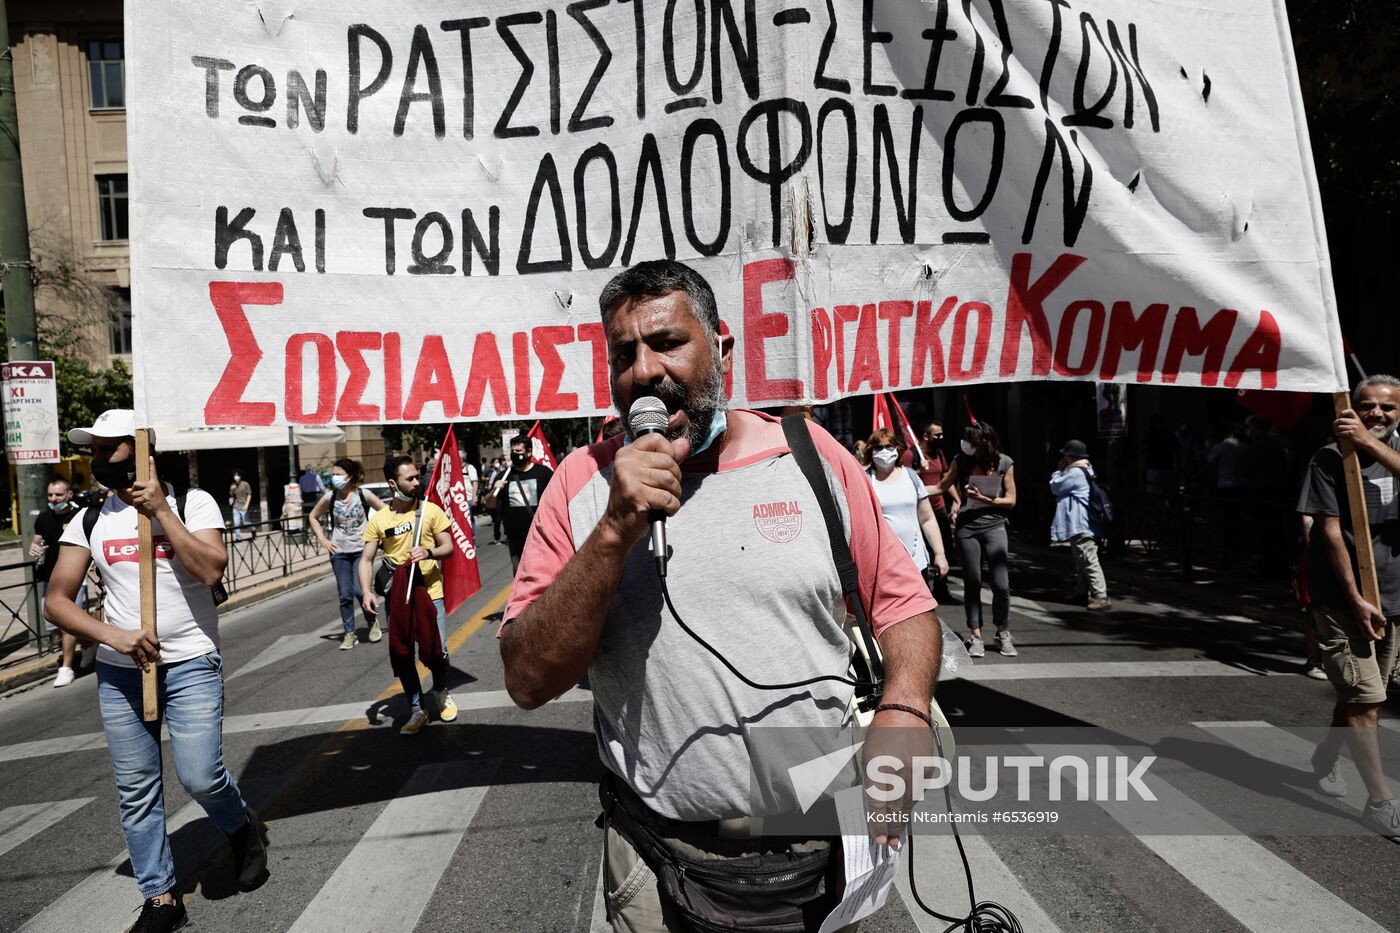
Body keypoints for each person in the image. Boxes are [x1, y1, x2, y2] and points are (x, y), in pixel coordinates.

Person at [499, 260, 939, 930]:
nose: (645, 370)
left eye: (667, 342)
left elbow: (905, 608)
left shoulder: (811, 454)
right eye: (624, 354)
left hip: (817, 855)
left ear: (722, 348)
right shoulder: (580, 484)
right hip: (659, 859)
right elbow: (529, 678)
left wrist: (905, 709)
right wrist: (615, 528)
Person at [43, 410, 268, 932]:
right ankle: (161, 895)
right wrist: (113, 637)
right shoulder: (91, 519)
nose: (97, 460)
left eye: (108, 449)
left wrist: (162, 510)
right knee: (137, 787)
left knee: (199, 774)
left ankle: (241, 826)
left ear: (142, 451)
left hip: (190, 660)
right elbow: (58, 599)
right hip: (123, 670)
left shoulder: (194, 502)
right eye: (93, 451)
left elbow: (211, 567)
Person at [1297, 375, 1400, 840]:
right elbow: (1330, 531)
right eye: (1366, 406)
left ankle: (1324, 757)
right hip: (1344, 599)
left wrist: (1370, 444)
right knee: (1365, 698)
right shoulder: (1327, 457)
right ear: (1349, 408)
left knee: (1363, 694)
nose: (1376, 414)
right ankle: (1380, 803)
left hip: (1394, 596)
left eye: (1387, 408)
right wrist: (1355, 599)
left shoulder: (1393, 451)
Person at [358, 456, 458, 735]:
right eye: (410, 478)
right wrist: (366, 592)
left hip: (430, 592)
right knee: (403, 654)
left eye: (418, 477)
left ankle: (439, 691)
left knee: (438, 651)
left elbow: (448, 547)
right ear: (393, 483)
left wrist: (429, 552)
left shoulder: (431, 511)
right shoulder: (379, 519)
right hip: (398, 598)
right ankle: (417, 709)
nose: (417, 482)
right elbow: (366, 560)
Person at [939, 422, 1018, 657]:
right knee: (972, 581)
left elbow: (1012, 500)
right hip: (967, 528)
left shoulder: (1004, 462)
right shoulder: (960, 460)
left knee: (1001, 584)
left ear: (983, 442)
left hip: (995, 525)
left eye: (970, 440)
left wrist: (986, 499)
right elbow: (941, 486)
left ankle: (1002, 632)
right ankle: (976, 636)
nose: (965, 444)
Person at [309, 459, 387, 650]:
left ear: (349, 476)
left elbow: (385, 512)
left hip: (362, 551)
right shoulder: (330, 497)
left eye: (337, 474)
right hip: (339, 553)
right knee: (345, 595)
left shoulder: (363, 494)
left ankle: (372, 622)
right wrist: (323, 539)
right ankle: (349, 633)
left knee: (361, 591)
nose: (334, 477)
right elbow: (313, 516)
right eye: (333, 474)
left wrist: (379, 536)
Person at [866, 427, 949, 594]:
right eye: (878, 447)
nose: (884, 452)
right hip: (881, 566)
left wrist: (940, 554)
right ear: (871, 451)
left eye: (889, 446)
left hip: (915, 562)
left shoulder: (911, 476)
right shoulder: (864, 478)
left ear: (897, 449)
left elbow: (927, 518)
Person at [31, 477, 91, 686]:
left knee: (67, 623)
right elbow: (37, 541)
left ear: (69, 495)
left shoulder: (79, 517)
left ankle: (66, 667)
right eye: (50, 495)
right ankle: (88, 641)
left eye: (58, 494)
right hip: (50, 578)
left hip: (74, 579)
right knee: (51, 623)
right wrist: (34, 548)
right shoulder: (43, 518)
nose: (54, 499)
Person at [1050, 440, 1111, 610]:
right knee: (1082, 559)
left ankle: (1101, 596)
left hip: (1082, 524)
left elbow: (1056, 487)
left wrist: (1057, 471)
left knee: (1088, 558)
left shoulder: (1075, 472)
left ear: (1069, 457)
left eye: (1065, 456)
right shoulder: (1086, 469)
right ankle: (1082, 593)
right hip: (1087, 524)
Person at [487, 434, 554, 575]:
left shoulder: (543, 473)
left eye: (519, 451)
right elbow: (490, 504)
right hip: (515, 537)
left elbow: (556, 500)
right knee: (520, 575)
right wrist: (494, 489)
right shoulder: (504, 476)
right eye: (513, 451)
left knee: (542, 574)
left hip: (539, 534)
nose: (515, 454)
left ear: (529, 452)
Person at [917, 420, 956, 601]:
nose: (941, 438)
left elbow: (945, 480)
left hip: (939, 508)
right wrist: (918, 470)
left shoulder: (939, 454)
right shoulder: (914, 455)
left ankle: (941, 587)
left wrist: (957, 500)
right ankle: (923, 589)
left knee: (944, 547)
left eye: (941, 434)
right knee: (924, 550)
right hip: (921, 510)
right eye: (937, 435)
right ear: (926, 436)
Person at [228, 470, 253, 540]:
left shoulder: (245, 484)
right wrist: (232, 490)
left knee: (246, 522)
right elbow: (231, 495)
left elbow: (249, 494)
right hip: (236, 506)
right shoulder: (233, 485)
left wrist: (247, 505)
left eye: (237, 475)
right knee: (236, 523)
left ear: (240, 476)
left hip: (244, 506)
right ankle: (238, 537)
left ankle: (253, 530)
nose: (236, 477)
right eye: (235, 475)